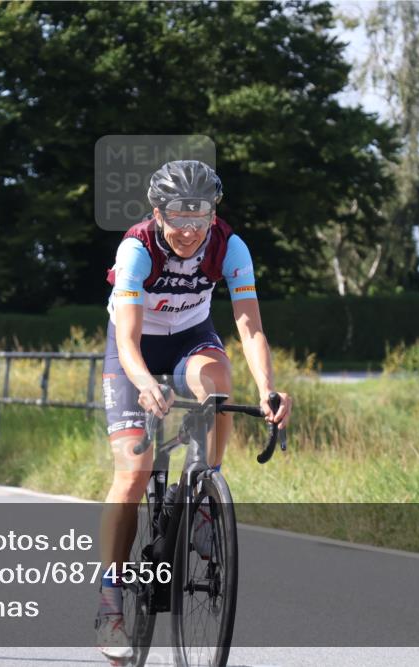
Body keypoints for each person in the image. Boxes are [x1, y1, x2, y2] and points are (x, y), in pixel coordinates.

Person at [95, 160, 292, 661]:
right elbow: (126, 337)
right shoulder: (137, 248)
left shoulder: (231, 246)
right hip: (134, 349)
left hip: (190, 340)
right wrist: (143, 384)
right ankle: (111, 602)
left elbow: (250, 327)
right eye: (178, 217)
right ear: (158, 212)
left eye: (199, 217)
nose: (188, 230)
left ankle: (204, 493)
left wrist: (268, 388)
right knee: (135, 471)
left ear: (212, 214)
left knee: (219, 383)